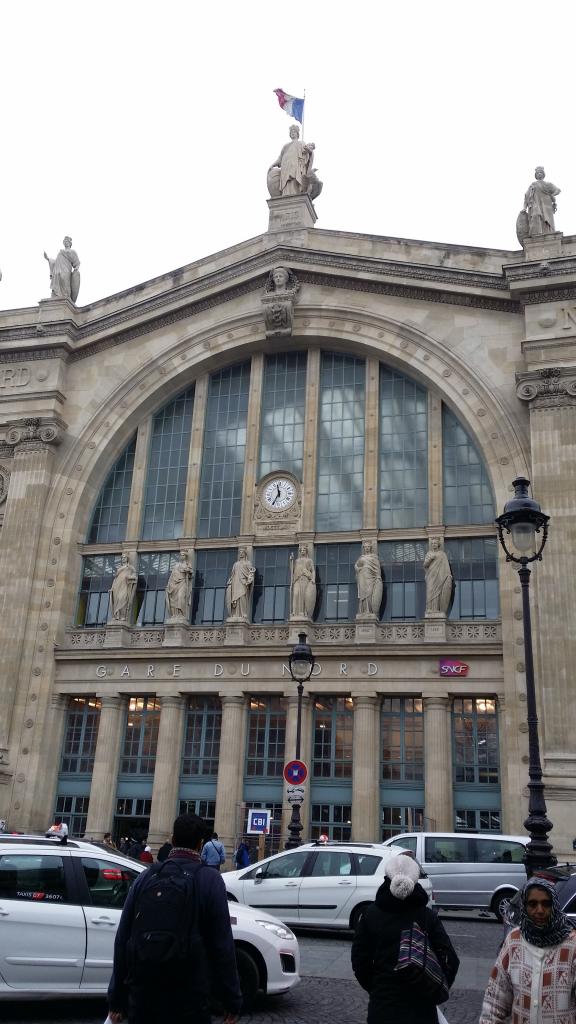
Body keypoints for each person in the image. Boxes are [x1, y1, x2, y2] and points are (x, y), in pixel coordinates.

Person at [108, 812, 241, 1024]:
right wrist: (231, 1000)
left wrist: (117, 999)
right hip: (190, 993)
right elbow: (222, 946)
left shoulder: (146, 876)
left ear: (172, 839)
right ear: (200, 844)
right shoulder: (210, 880)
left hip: (144, 991)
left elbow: (123, 939)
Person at [351, 853, 459, 1024]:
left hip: (383, 1006)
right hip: (421, 1006)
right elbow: (450, 959)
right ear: (415, 881)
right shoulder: (427, 916)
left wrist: (377, 987)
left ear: (387, 878)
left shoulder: (370, 914)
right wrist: (434, 987)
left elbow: (359, 961)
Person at [480, 876, 576, 1024]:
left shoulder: (572, 944)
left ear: (554, 906)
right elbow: (495, 999)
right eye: (532, 904)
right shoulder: (514, 940)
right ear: (524, 907)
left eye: (546, 904)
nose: (539, 910)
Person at [268, 124, 315, 197]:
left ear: (297, 133)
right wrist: (273, 164)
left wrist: (309, 152)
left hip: (296, 167)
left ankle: (295, 194)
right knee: (286, 183)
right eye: (291, 132)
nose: (293, 133)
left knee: (293, 181)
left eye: (294, 132)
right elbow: (280, 158)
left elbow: (307, 154)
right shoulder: (286, 146)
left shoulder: (301, 143)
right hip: (285, 168)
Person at [523, 166, 561, 237]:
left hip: (547, 205)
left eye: (541, 172)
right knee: (535, 215)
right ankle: (537, 234)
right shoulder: (533, 185)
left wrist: (552, 195)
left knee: (547, 220)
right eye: (538, 173)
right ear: (536, 175)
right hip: (536, 204)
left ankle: (548, 233)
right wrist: (524, 208)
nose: (539, 174)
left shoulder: (548, 184)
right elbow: (526, 197)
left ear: (543, 174)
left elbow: (558, 190)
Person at [43, 236, 81, 302]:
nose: (66, 243)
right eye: (65, 242)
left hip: (66, 270)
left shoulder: (72, 251)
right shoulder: (60, 252)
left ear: (70, 243)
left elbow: (77, 262)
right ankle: (57, 296)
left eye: (67, 242)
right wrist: (48, 259)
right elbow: (56, 262)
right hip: (57, 271)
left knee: (65, 283)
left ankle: (67, 297)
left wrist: (76, 269)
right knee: (57, 284)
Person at [424, 538, 453, 615]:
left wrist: (448, 575)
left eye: (435, 543)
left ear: (438, 545)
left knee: (438, 592)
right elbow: (425, 565)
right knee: (430, 592)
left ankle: (437, 610)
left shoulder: (442, 554)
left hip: (440, 576)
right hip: (431, 576)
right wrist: (430, 559)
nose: (434, 545)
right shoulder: (429, 554)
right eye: (432, 543)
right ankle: (430, 609)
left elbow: (446, 566)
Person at [225, 547, 255, 619]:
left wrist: (250, 579)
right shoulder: (236, 564)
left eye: (242, 553)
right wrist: (230, 581)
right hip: (236, 582)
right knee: (236, 599)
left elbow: (251, 572)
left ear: (245, 554)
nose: (241, 554)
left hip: (243, 583)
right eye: (240, 553)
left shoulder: (248, 563)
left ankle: (243, 613)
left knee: (242, 597)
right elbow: (233, 574)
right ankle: (235, 613)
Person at [354, 540, 383, 616]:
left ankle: (369, 611)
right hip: (362, 577)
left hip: (371, 578)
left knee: (370, 593)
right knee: (363, 594)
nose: (367, 548)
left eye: (368, 547)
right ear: (364, 548)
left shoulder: (374, 557)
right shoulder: (361, 557)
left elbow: (377, 568)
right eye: (365, 547)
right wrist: (358, 568)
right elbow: (356, 565)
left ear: (370, 548)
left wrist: (378, 577)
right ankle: (363, 611)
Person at [109, 553, 137, 622]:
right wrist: (112, 588)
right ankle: (117, 615)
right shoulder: (119, 568)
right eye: (122, 558)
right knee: (117, 599)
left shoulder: (130, 567)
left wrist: (130, 577)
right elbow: (115, 578)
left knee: (123, 598)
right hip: (117, 585)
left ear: (127, 558)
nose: (123, 559)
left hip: (125, 585)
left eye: (124, 557)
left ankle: (123, 616)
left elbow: (135, 576)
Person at [290, 544, 316, 618]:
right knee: (296, 594)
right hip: (297, 579)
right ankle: (294, 612)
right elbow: (292, 570)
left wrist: (313, 579)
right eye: (301, 550)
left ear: (306, 551)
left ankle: (302, 612)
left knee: (303, 596)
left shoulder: (309, 560)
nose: (302, 551)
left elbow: (313, 570)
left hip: (305, 579)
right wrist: (290, 561)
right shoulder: (296, 560)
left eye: (304, 550)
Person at [165, 551, 194, 620]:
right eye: (181, 555)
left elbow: (191, 574)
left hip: (183, 582)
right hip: (174, 584)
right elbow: (172, 575)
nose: (181, 556)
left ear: (186, 556)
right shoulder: (176, 565)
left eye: (183, 555)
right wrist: (169, 584)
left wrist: (188, 571)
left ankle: (181, 614)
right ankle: (175, 615)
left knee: (180, 597)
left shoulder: (187, 564)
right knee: (174, 599)